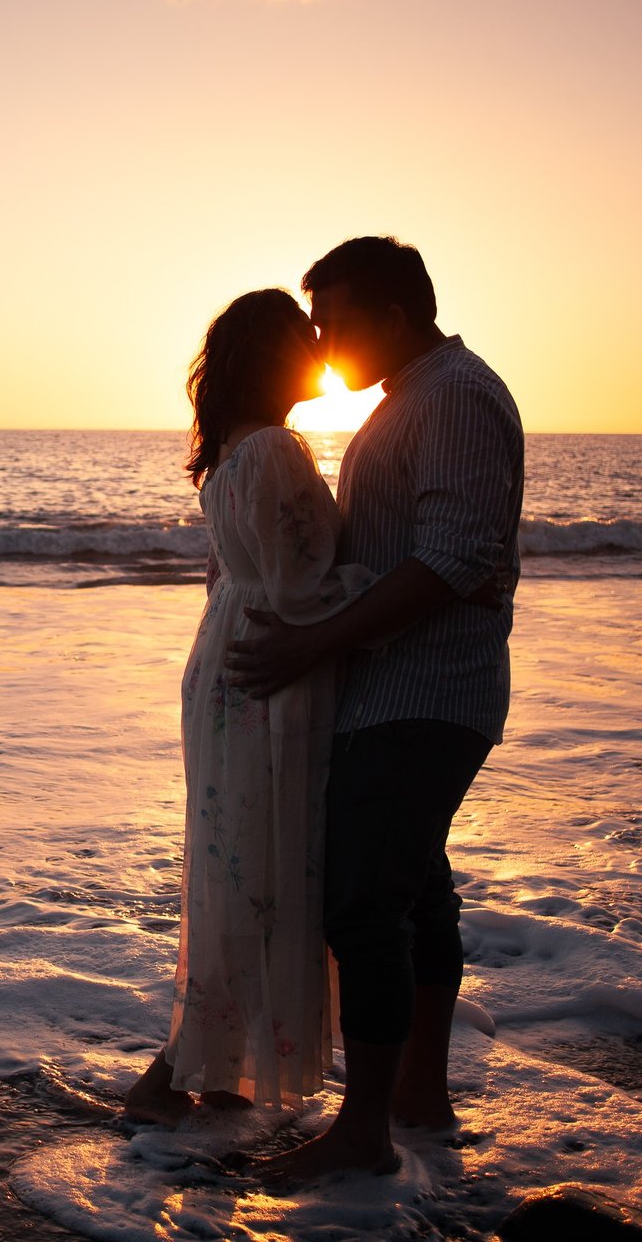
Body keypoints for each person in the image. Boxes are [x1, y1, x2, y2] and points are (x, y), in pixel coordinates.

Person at [226, 237, 523, 1183]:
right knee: (409, 892)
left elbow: (457, 556)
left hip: (429, 692)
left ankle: (365, 1136)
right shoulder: (408, 403)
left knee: (361, 904)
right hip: (391, 692)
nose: (321, 341)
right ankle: (416, 1098)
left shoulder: (458, 397)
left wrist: (314, 641)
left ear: (398, 313)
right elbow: (414, 550)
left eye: (337, 319)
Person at [123, 288, 372, 1125]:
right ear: (274, 357)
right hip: (268, 667)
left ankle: (213, 1076)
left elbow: (246, 573)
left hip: (225, 662)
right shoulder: (273, 450)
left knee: (236, 870)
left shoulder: (232, 453)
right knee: (262, 867)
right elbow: (301, 591)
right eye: (305, 337)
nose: (321, 347)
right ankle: (175, 1077)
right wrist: (393, 583)